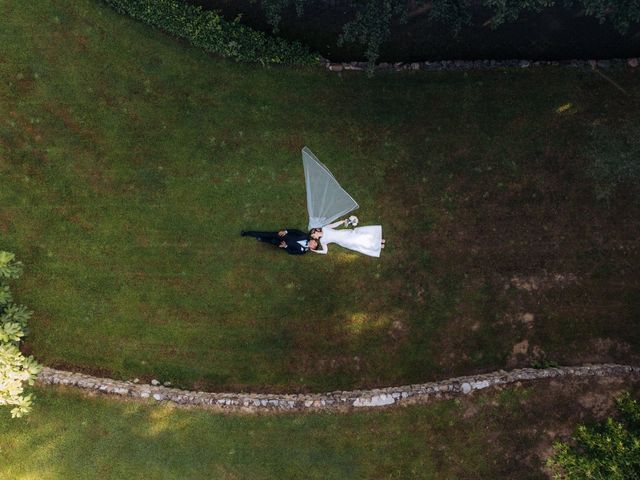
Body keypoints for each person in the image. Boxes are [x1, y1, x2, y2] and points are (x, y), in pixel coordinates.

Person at [308, 219, 385, 257]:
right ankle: (379, 246)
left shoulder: (325, 228)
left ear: (316, 231)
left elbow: (334, 225)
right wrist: (316, 251)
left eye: (313, 235)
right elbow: (325, 251)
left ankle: (380, 240)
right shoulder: (322, 241)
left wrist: (342, 221)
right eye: (313, 237)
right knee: (359, 243)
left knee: (360, 235)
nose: (314, 237)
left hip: (344, 233)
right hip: (344, 241)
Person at [240, 228, 310, 255]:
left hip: (283, 244)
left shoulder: (302, 251)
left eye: (314, 245)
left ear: (312, 248)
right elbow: (296, 231)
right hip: (282, 235)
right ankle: (246, 233)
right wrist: (286, 231)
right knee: (266, 234)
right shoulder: (305, 236)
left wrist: (285, 246)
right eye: (314, 242)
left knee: (272, 241)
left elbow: (291, 252)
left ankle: (262, 239)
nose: (312, 243)